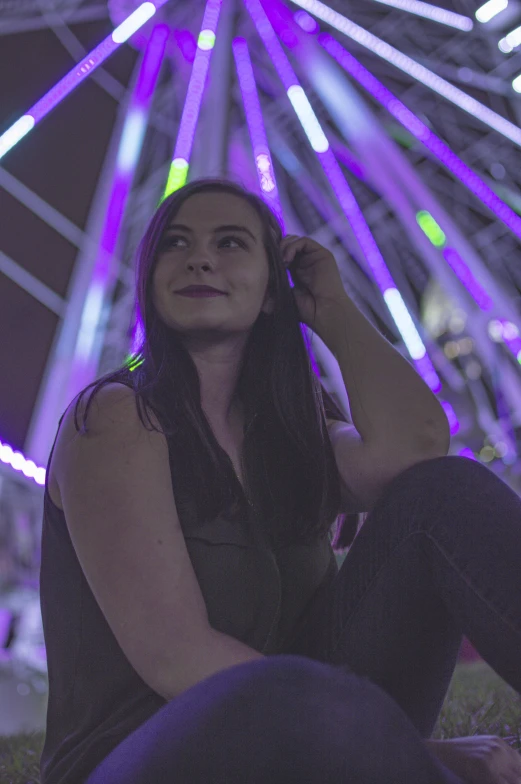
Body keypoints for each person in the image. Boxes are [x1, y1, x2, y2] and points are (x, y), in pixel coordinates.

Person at [38, 178, 521, 784]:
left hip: (309, 716)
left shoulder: (293, 425)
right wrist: (426, 753)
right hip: (143, 757)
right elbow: (175, 656)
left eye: (232, 243)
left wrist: (333, 311)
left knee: (444, 492)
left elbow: (419, 450)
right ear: (150, 280)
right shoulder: (114, 419)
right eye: (177, 243)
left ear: (273, 291)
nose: (201, 258)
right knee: (289, 687)